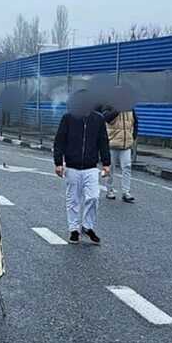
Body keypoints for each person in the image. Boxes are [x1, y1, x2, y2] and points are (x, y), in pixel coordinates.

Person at [54, 90, 111, 245]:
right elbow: (59, 140)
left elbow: (103, 141)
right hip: (72, 166)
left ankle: (87, 226)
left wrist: (106, 163)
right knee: (73, 200)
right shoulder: (68, 118)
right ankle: (74, 230)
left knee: (93, 197)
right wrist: (58, 163)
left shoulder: (98, 119)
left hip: (91, 167)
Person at [103, 106, 138, 203]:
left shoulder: (130, 108)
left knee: (127, 167)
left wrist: (133, 137)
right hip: (111, 144)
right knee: (110, 168)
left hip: (126, 144)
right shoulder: (109, 105)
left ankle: (126, 192)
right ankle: (109, 190)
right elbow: (106, 118)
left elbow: (135, 123)